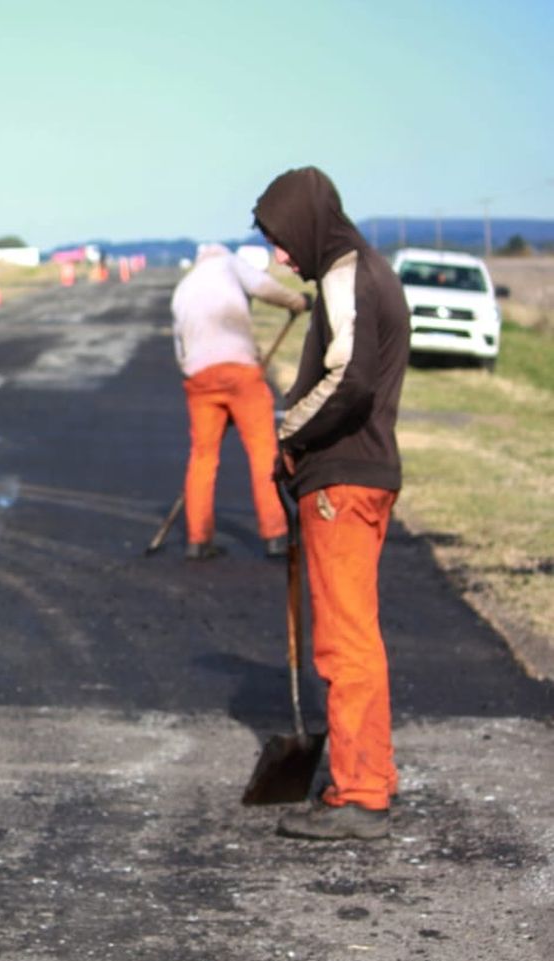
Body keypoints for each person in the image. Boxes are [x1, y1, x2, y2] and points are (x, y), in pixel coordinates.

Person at [253, 166, 410, 841]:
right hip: (362, 476)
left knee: (343, 643)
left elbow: (350, 380)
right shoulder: (368, 270)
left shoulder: (349, 272)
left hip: (343, 485)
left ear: (311, 225)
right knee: (358, 636)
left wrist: (287, 431)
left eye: (283, 240)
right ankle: (369, 776)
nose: (281, 257)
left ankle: (361, 794)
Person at [170, 243, 310, 560]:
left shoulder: (184, 287)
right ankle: (276, 533)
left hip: (199, 377)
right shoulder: (230, 264)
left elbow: (180, 349)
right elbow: (264, 287)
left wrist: (204, 378)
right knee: (263, 452)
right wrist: (298, 302)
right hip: (240, 370)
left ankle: (197, 537)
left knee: (203, 456)